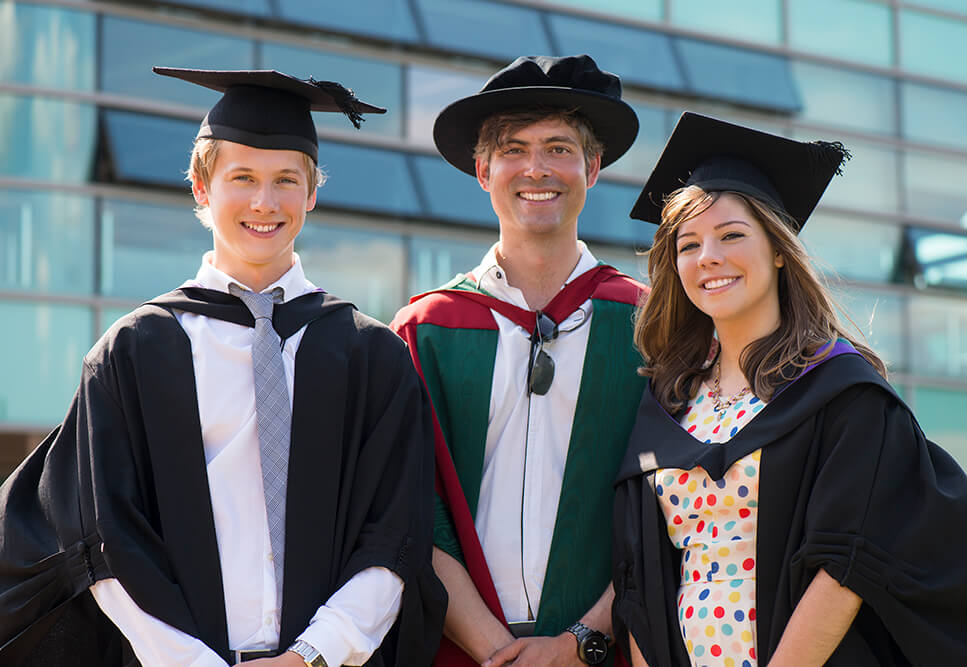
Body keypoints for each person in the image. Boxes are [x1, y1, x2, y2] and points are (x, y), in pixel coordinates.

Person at [0, 67, 445, 666]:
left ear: (312, 194)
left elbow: (395, 535)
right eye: (243, 178)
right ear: (201, 189)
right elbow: (104, 541)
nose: (266, 202)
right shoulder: (133, 352)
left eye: (287, 180)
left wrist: (312, 655)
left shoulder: (372, 358)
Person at [612, 111, 967, 667]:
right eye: (688, 244)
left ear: (777, 247)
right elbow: (641, 580)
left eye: (731, 235)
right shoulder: (670, 400)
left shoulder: (840, 390)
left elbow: (846, 565)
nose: (708, 258)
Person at [390, 55, 647, 667]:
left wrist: (579, 642)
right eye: (513, 149)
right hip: (456, 652)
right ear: (483, 170)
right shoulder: (425, 329)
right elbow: (406, 509)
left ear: (593, 166)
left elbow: (671, 506)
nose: (537, 169)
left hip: (608, 650)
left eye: (559, 148)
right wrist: (495, 650)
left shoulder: (648, 325)